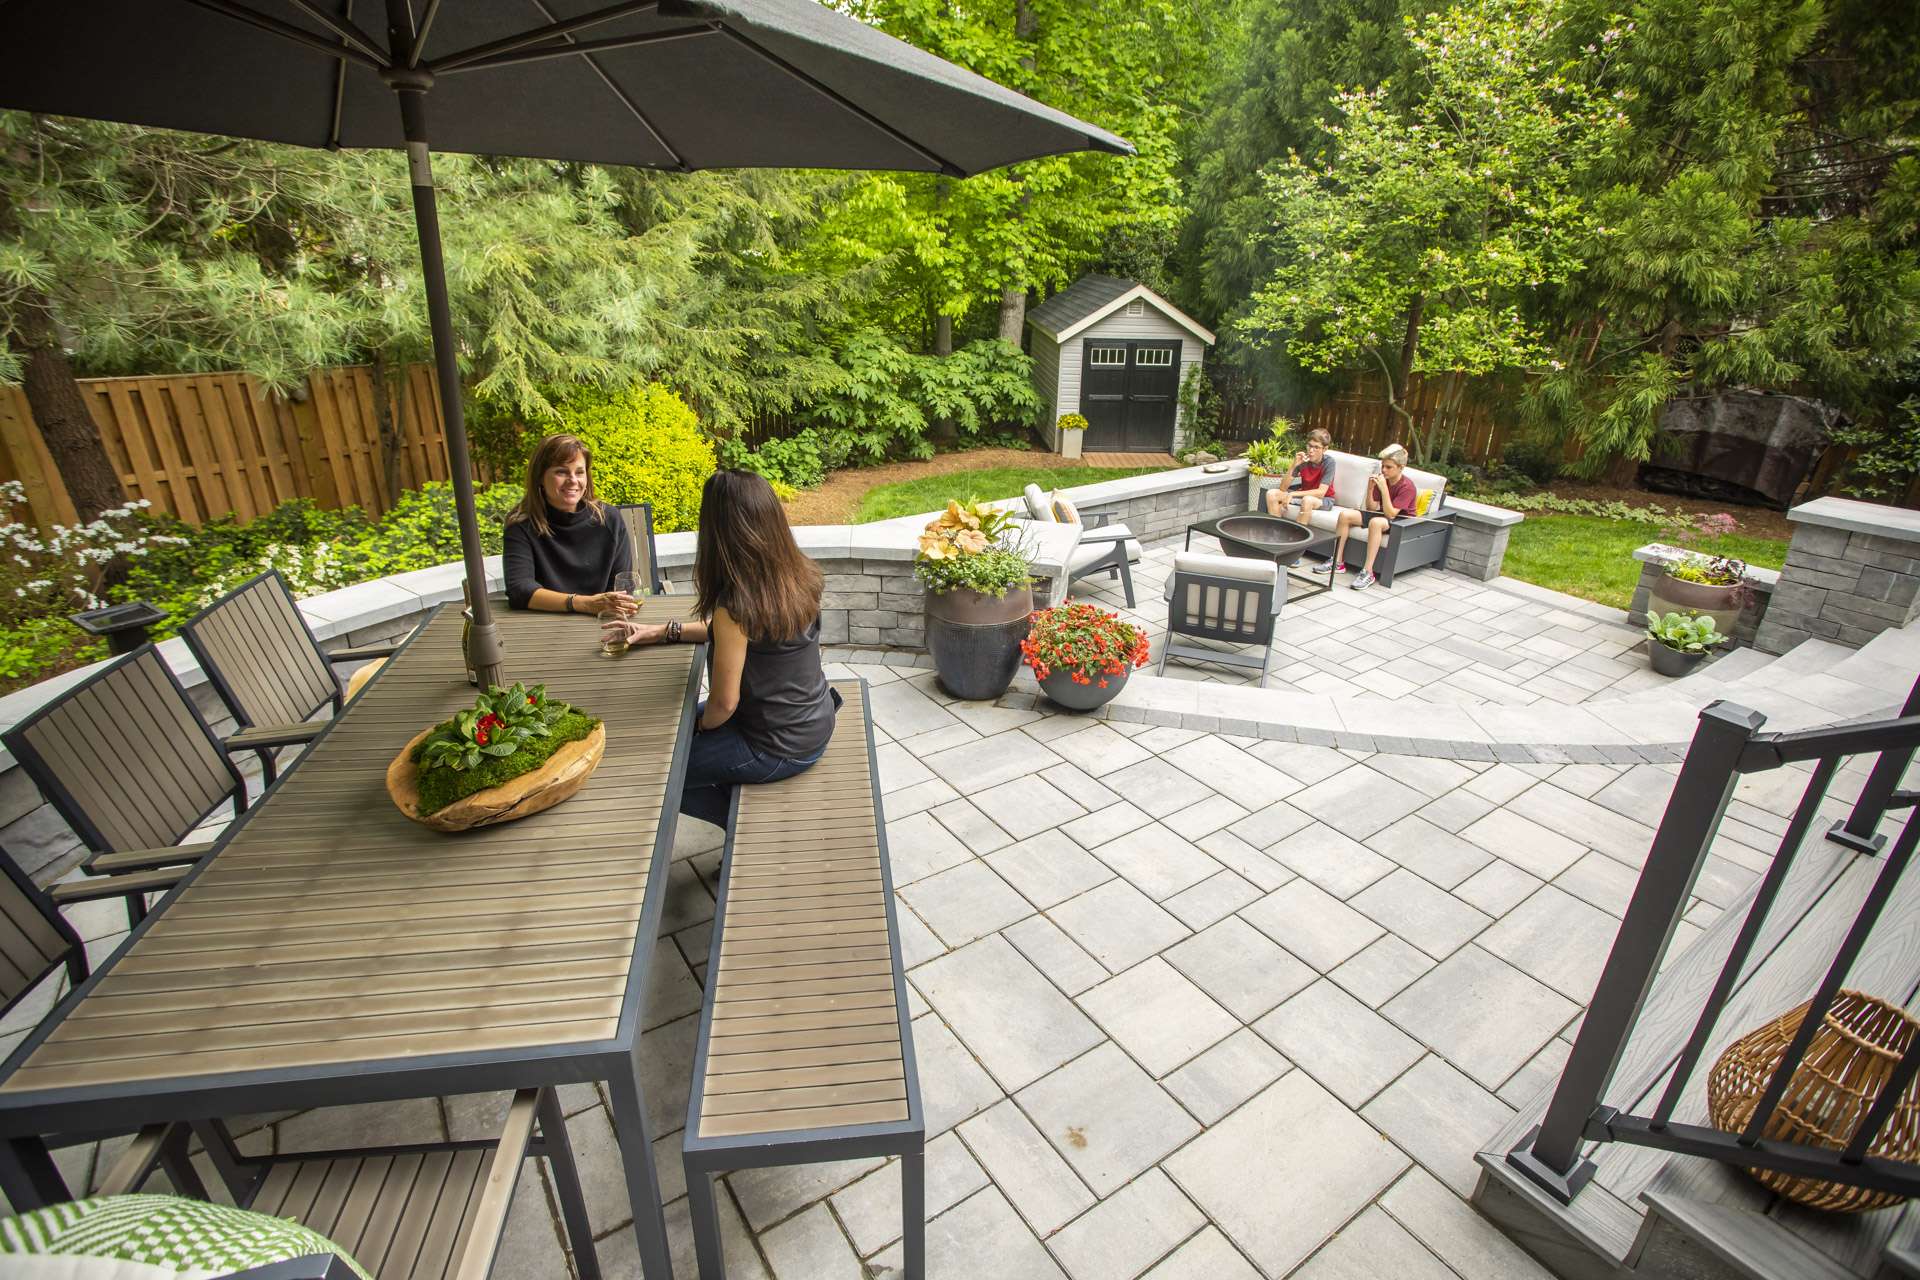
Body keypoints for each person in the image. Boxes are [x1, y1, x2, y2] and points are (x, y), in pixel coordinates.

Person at [603, 470, 838, 829]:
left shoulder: (737, 604)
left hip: (776, 746)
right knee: (671, 728)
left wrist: (699, 727)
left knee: (662, 775)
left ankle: (746, 827)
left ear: (720, 531)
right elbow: (733, 637)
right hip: (813, 721)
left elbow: (724, 705)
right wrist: (661, 631)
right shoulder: (798, 575)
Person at [502, 433, 637, 616]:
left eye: (579, 472)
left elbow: (622, 587)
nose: (573, 480)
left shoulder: (609, 519)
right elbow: (520, 590)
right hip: (543, 624)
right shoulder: (521, 526)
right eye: (561, 472)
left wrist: (600, 608)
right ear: (540, 477)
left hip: (601, 620)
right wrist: (583, 603)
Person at [1329, 443, 1419, 591]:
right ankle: (1337, 562)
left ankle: (1368, 572)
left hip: (1400, 522)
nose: (1384, 470)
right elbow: (1371, 507)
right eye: (1383, 466)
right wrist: (1371, 488)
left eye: (1389, 467)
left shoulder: (1407, 486)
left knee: (1376, 523)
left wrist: (1384, 489)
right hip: (1383, 515)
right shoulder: (1383, 479)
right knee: (1345, 515)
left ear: (1401, 467)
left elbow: (1391, 514)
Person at [1264, 428, 1336, 526]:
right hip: (1303, 496)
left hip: (1324, 500)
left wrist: (1293, 494)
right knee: (1271, 494)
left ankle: (1297, 538)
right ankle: (1276, 532)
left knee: (1308, 500)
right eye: (1309, 446)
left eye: (1316, 447)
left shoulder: (1329, 463)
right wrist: (1294, 465)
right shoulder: (1303, 460)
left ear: (1325, 449)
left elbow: (1321, 493)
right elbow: (1282, 488)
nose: (1311, 450)